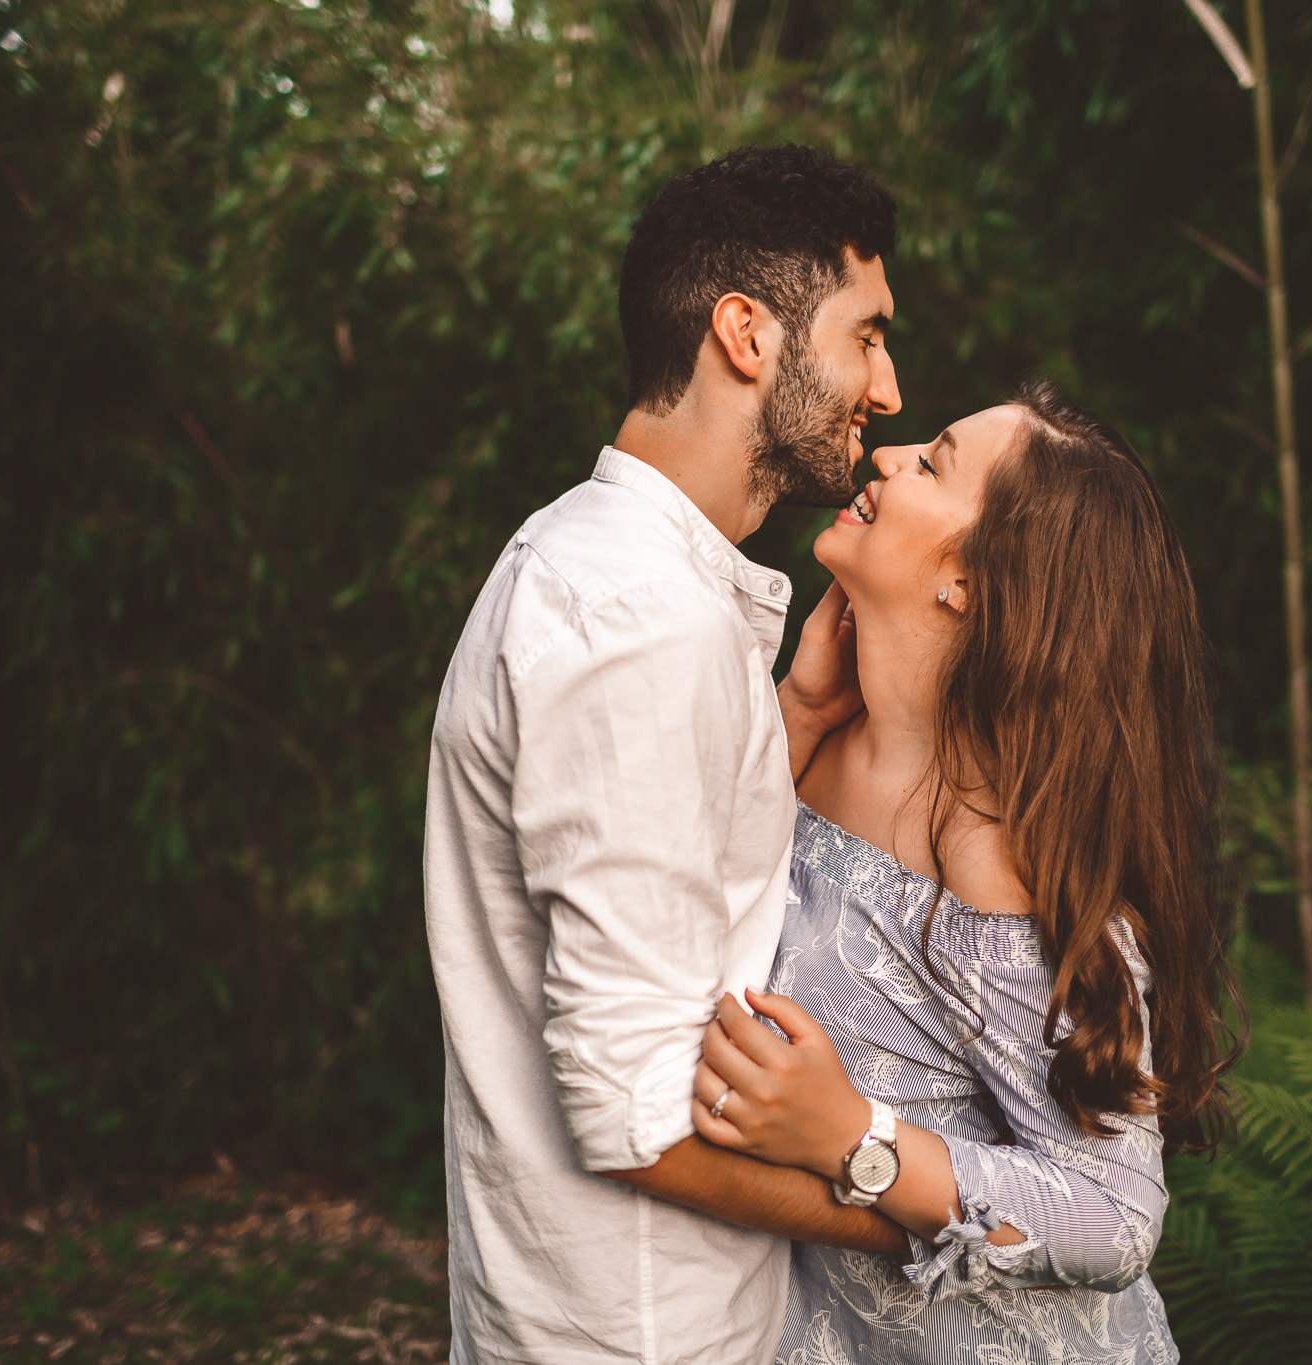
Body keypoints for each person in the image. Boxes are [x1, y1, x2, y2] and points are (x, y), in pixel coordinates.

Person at [422, 143, 910, 1365]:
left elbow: (678, 892)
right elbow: (636, 1123)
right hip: (644, 1335)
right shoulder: (637, 625)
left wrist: (789, 719)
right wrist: (918, 1216)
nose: (888, 387)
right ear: (745, 335)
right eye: (866, 335)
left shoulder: (608, 575)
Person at [691, 383, 1244, 1364]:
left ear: (968, 583)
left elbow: (1115, 1218)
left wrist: (851, 1136)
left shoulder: (1004, 872)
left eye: (934, 462)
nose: (886, 454)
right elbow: (685, 899)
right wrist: (802, 711)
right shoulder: (810, 743)